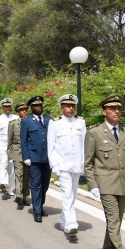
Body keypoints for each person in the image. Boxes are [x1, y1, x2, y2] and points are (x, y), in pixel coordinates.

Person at [84, 94, 125, 249]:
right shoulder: (94, 133)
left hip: (124, 184)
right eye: (112, 108)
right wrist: (93, 185)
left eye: (119, 109)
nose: (117, 111)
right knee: (114, 219)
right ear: (104, 111)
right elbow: (88, 163)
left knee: (117, 220)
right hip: (105, 184)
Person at [47, 94, 86, 238]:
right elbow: (51, 146)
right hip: (62, 165)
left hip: (77, 165)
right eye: (68, 106)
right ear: (62, 107)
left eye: (72, 106)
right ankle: (71, 225)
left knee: (72, 195)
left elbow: (84, 145)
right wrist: (54, 165)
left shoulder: (80, 122)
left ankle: (63, 220)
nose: (71, 108)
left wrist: (84, 164)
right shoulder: (55, 123)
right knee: (67, 195)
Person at [20, 95, 52, 223]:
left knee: (45, 184)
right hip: (33, 158)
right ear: (31, 108)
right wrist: (26, 157)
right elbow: (23, 141)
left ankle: (41, 205)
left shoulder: (49, 120)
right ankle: (37, 211)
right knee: (36, 185)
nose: (39, 107)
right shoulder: (26, 121)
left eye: (40, 105)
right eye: (36, 106)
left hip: (47, 158)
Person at [0, 98, 17, 194]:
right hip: (2, 145)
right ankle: (3, 182)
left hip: (13, 146)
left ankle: (10, 188)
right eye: (5, 107)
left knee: (11, 168)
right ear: (2, 108)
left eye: (9, 106)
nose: (7, 108)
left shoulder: (15, 118)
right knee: (4, 163)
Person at [8, 101, 30, 206]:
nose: (24, 112)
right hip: (17, 152)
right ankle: (18, 196)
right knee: (19, 174)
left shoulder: (31, 122)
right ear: (18, 112)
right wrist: (10, 154)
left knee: (26, 176)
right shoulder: (13, 124)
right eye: (22, 110)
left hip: (29, 153)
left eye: (25, 110)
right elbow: (10, 140)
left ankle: (25, 196)